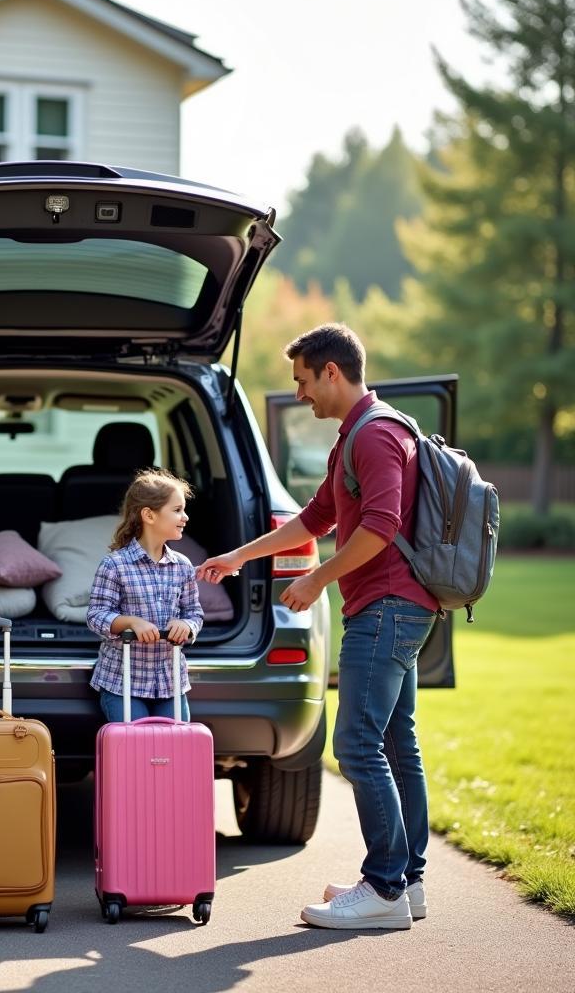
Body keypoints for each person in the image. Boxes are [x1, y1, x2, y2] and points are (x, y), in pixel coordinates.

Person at [198, 323, 438, 930]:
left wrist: (316, 580)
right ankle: (404, 883)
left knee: (358, 745)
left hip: (386, 608)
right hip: (396, 607)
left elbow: (380, 527)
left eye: (303, 380)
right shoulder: (355, 436)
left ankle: (383, 888)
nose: (300, 392)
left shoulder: (376, 436)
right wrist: (240, 557)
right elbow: (315, 518)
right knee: (393, 742)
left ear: (332, 371)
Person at [87, 469, 204, 723]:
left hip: (169, 682)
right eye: (176, 510)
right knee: (134, 750)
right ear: (149, 515)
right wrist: (131, 622)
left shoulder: (182, 566)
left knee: (174, 751)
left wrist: (186, 625)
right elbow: (96, 616)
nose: (185, 517)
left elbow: (194, 613)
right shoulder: (115, 565)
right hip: (123, 682)